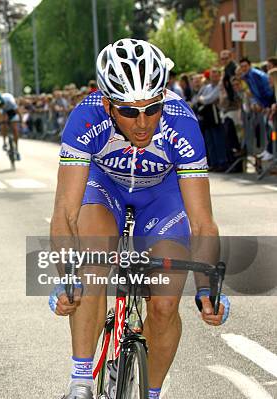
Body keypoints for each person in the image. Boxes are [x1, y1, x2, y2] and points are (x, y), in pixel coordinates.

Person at [52, 39, 228, 399]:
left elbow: (203, 224)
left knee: (164, 304)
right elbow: (65, 214)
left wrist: (208, 287)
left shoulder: (182, 125)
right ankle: (81, 382)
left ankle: (151, 392)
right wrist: (64, 276)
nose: (143, 122)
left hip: (161, 199)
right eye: (129, 112)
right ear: (107, 104)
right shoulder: (85, 118)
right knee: (90, 266)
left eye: (153, 108)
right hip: (105, 191)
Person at [0, 92, 21, 160]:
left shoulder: (10, 101)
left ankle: (16, 149)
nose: (1, 106)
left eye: (1, 105)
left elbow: (18, 112)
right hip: (4, 112)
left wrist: (21, 121)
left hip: (12, 111)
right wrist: (0, 122)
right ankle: (4, 142)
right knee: (3, 126)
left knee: (14, 129)